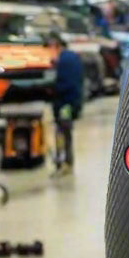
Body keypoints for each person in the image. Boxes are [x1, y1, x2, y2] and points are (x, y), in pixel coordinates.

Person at [48, 32, 84, 174]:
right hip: (73, 101)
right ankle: (66, 162)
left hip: (65, 103)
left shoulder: (63, 60)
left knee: (62, 132)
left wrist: (51, 90)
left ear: (56, 45)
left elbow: (62, 83)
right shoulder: (73, 57)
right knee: (66, 133)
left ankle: (63, 163)